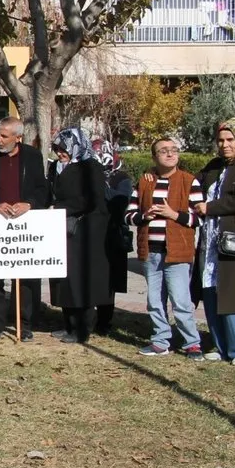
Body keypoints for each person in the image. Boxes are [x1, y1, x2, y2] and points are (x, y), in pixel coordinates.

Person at [125, 137, 204, 358]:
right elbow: (129, 216)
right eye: (163, 151)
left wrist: (174, 215)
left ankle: (192, 342)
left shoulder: (189, 181)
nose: (170, 154)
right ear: (154, 157)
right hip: (151, 250)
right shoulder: (144, 182)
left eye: (173, 150)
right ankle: (160, 340)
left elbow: (199, 219)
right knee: (154, 300)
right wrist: (143, 216)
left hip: (178, 251)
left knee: (180, 300)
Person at [0, 117, 50, 342]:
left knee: (25, 277)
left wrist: (30, 203)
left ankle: (24, 323)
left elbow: (42, 188)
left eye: (4, 136)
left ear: (18, 138)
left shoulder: (33, 156)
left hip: (24, 224)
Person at [46, 127, 110, 344]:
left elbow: (92, 198)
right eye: (57, 149)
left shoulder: (90, 167)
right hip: (62, 229)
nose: (60, 154)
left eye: (63, 149)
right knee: (63, 278)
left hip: (85, 233)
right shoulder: (58, 167)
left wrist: (62, 208)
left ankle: (82, 329)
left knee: (80, 280)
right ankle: (68, 325)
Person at [193, 118, 235, 366]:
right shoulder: (213, 166)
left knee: (233, 294)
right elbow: (193, 185)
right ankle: (219, 345)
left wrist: (210, 207)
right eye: (221, 140)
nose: (225, 145)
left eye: (230, 140)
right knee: (210, 290)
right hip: (209, 241)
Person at [93, 138, 133, 335]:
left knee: (109, 281)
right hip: (91, 234)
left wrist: (102, 185)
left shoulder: (121, 178)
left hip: (112, 235)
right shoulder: (87, 175)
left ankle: (104, 322)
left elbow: (120, 204)